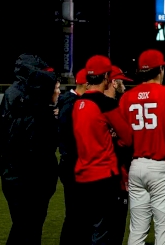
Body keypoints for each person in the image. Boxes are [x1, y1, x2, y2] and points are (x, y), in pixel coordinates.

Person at [118, 49, 165, 244]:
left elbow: (123, 140)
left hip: (136, 166)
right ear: (160, 69)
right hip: (163, 167)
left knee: (137, 231)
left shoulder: (126, 97)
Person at [0, 54, 59, 245]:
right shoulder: (22, 97)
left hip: (22, 176)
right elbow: (29, 144)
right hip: (24, 178)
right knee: (26, 228)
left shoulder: (22, 95)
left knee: (27, 228)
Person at [73, 54, 133, 244]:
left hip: (82, 177)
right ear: (107, 77)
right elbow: (129, 137)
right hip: (104, 177)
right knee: (105, 233)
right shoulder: (106, 104)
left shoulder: (77, 103)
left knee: (87, 231)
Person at [57, 68, 88, 245]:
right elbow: (71, 137)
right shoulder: (72, 103)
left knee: (77, 213)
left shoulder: (71, 101)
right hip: (73, 164)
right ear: (86, 83)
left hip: (71, 162)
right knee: (75, 214)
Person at [105, 65, 133, 245]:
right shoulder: (113, 108)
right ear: (114, 83)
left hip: (95, 178)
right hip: (115, 177)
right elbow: (127, 142)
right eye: (121, 81)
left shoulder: (88, 105)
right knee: (113, 229)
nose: (124, 85)